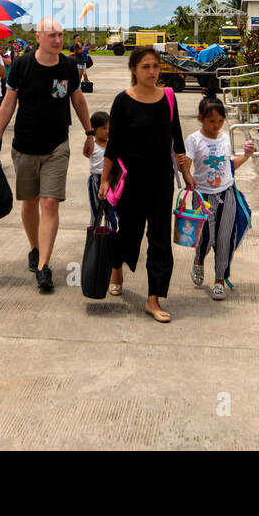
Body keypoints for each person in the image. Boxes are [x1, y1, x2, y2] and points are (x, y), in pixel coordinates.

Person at [0, 17, 94, 293]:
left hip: (57, 145)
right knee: (30, 202)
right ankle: (34, 248)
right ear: (38, 38)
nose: (58, 40)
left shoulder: (69, 66)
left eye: (60, 34)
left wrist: (90, 132)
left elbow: (77, 99)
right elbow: (8, 104)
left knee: (50, 203)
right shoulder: (22, 65)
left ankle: (44, 266)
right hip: (24, 145)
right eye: (52, 35)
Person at [98, 46, 193, 322]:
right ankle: (117, 265)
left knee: (160, 238)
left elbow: (177, 140)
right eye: (145, 67)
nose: (152, 72)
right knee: (129, 233)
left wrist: (187, 173)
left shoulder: (169, 98)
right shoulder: (123, 101)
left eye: (155, 66)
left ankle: (154, 298)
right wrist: (105, 179)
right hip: (131, 181)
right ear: (133, 70)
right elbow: (112, 146)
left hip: (161, 180)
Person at [185, 97, 256, 300]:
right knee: (205, 237)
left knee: (225, 238)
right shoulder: (194, 140)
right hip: (203, 197)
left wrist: (246, 156)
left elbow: (228, 166)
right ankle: (199, 260)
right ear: (201, 119)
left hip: (227, 194)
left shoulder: (224, 138)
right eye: (211, 121)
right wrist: (187, 176)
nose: (216, 126)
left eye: (219, 121)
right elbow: (186, 167)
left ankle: (219, 280)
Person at [87, 110, 116, 233]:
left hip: (111, 180)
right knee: (96, 210)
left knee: (112, 210)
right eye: (104, 128)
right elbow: (86, 153)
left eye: (109, 128)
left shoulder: (112, 145)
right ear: (94, 129)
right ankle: (95, 236)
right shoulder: (92, 146)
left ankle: (111, 235)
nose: (107, 131)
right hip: (96, 180)